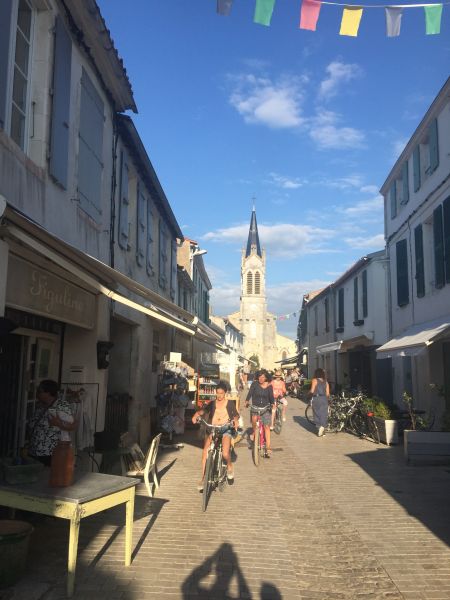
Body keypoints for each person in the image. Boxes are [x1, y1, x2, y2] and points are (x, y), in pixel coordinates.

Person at [192, 381, 240, 491]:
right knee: (205, 451)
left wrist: (235, 421)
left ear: (225, 393)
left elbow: (236, 415)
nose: (219, 395)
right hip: (213, 428)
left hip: (225, 429)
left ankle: (229, 466)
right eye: (217, 393)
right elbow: (204, 411)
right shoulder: (212, 403)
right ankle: (203, 478)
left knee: (225, 453)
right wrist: (196, 415)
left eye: (221, 393)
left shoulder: (229, 403)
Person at [27, 380, 77, 466]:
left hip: (51, 454)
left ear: (48, 393)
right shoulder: (40, 406)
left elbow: (73, 425)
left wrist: (58, 423)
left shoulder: (61, 406)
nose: (37, 393)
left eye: (40, 391)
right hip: (34, 452)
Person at [245, 369, 275, 457]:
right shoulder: (255, 384)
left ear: (266, 378)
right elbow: (250, 393)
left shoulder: (269, 386)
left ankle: (268, 447)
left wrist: (272, 403)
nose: (261, 379)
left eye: (263, 377)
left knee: (266, 427)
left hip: (265, 408)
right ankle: (254, 432)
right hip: (255, 407)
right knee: (254, 420)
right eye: (259, 377)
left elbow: (271, 396)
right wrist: (246, 400)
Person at [309, 368, 330, 437]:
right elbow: (328, 394)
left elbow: (312, 390)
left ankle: (319, 426)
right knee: (324, 414)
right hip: (324, 398)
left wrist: (308, 394)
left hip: (317, 398)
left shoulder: (314, 380)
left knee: (316, 413)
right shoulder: (326, 382)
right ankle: (323, 428)